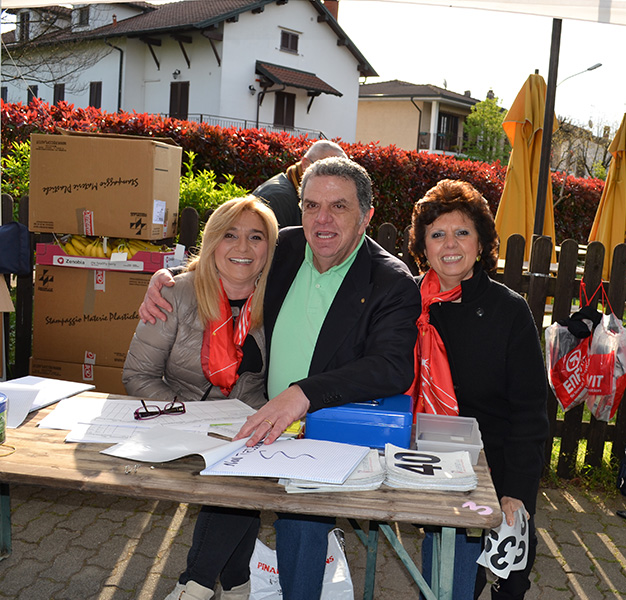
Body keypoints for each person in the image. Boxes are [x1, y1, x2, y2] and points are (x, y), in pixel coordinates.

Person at [140, 157, 421, 599]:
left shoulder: (390, 280)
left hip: (329, 431)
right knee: (232, 483)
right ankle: (213, 585)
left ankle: (215, 587)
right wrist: (166, 280)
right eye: (311, 205)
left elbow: (391, 366)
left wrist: (303, 395)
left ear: (366, 215)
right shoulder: (286, 246)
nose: (322, 219)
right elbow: (227, 265)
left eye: (338, 207)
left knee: (300, 521)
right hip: (261, 415)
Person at [123, 196, 278, 600]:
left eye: (256, 237)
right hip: (179, 424)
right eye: (230, 235)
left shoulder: (279, 301)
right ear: (211, 242)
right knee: (238, 480)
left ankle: (200, 585)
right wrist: (193, 419)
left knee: (241, 471)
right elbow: (137, 375)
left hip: (251, 429)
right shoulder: (176, 294)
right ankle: (227, 583)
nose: (242, 247)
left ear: (270, 247)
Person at [407, 180, 548, 600]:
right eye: (437, 234)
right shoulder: (406, 303)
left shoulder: (509, 311)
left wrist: (516, 493)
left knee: (508, 583)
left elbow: (530, 411)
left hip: (497, 468)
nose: (450, 244)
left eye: (462, 232)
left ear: (481, 243)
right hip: (428, 461)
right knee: (446, 586)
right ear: (423, 247)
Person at [252, 139, 346, 228]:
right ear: (306, 165)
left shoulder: (294, 188)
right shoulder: (277, 198)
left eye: (342, 173)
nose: (336, 179)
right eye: (328, 170)